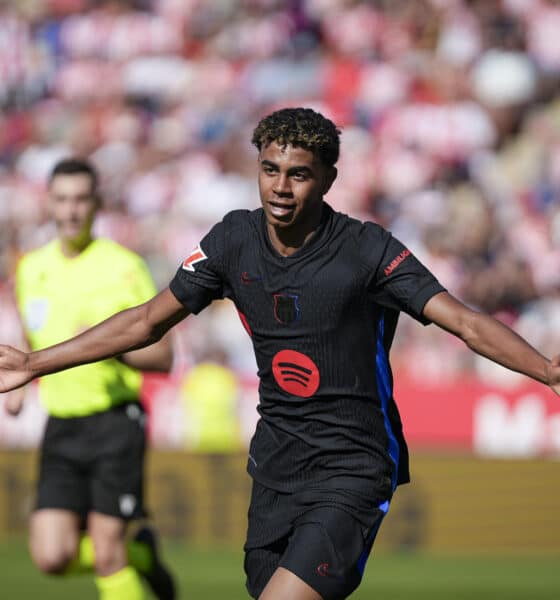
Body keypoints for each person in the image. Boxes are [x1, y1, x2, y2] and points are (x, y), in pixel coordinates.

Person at [1, 108, 559, 600]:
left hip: (353, 467)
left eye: (298, 174)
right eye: (270, 170)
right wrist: (33, 363)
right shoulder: (232, 241)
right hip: (276, 467)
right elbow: (147, 321)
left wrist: (548, 371)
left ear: (328, 180)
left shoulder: (368, 250)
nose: (281, 188)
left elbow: (461, 320)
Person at [4, 158, 176, 600]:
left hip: (115, 422)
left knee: (104, 553)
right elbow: (31, 329)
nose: (72, 211)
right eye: (62, 199)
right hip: (62, 426)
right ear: (50, 203)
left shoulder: (123, 266)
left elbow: (163, 355)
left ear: (97, 204)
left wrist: (106, 343)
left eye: (81, 199)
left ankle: (122, 555)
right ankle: (140, 556)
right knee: (51, 555)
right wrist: (23, 383)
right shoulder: (31, 267)